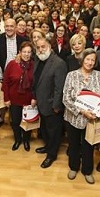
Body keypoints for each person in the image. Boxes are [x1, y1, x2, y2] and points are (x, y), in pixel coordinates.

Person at [62, 49, 100, 184]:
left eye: (93, 60)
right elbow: (65, 98)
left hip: (91, 120)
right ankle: (73, 167)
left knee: (89, 146)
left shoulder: (99, 76)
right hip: (73, 117)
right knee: (74, 144)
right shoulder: (71, 75)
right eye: (88, 59)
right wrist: (81, 111)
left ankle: (87, 171)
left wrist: (96, 112)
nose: (90, 62)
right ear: (82, 60)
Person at [33, 37, 67, 169]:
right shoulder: (38, 59)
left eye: (43, 47)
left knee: (54, 132)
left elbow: (60, 88)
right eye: (38, 47)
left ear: (50, 47)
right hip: (41, 103)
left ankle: (52, 155)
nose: (41, 50)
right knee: (45, 130)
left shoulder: (58, 63)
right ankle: (47, 147)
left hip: (52, 105)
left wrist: (56, 106)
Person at [3, 41, 35, 151]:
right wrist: (6, 98)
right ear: (19, 52)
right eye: (24, 52)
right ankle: (18, 139)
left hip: (29, 100)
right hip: (14, 99)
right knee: (15, 121)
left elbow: (36, 83)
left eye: (29, 52)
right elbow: (5, 82)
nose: (26, 54)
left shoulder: (34, 65)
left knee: (27, 121)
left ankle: (26, 140)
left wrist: (35, 98)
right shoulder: (12, 64)